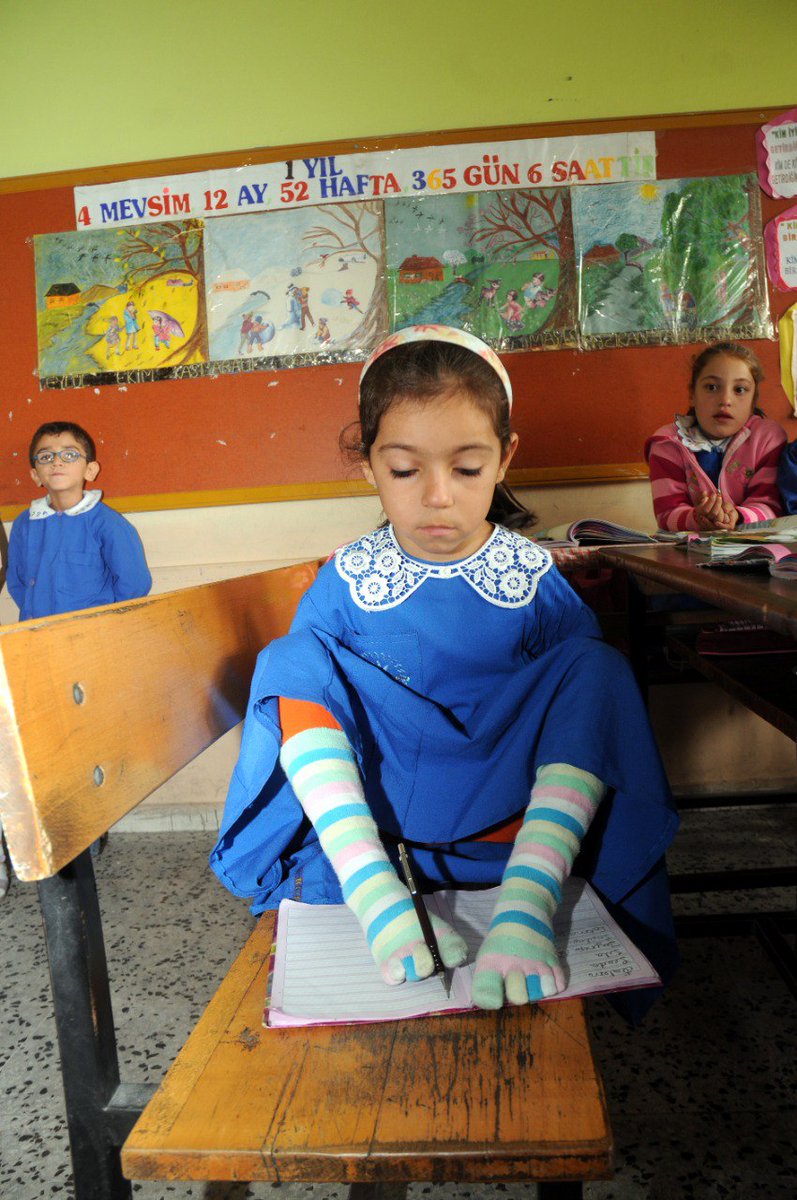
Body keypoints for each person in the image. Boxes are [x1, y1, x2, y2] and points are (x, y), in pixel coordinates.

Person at [211, 325, 678, 1017]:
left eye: (465, 468)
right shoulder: (347, 579)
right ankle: (374, 894)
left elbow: (579, 719)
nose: (436, 496)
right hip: (387, 821)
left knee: (594, 667)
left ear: (504, 458)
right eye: (405, 470)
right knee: (290, 659)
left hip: (511, 821)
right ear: (367, 462)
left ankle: (526, 901)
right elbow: (304, 693)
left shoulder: (528, 576)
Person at [7, 421, 152, 621]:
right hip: (36, 634)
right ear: (35, 475)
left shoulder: (108, 523)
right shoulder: (24, 524)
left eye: (69, 455)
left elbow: (135, 584)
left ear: (90, 470)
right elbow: (17, 581)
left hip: (93, 637)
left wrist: (104, 622)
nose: (57, 462)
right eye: (45, 456)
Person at [645, 342, 785, 532]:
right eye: (711, 387)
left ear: (754, 401)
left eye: (740, 390)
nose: (725, 400)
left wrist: (737, 516)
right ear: (692, 394)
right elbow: (667, 514)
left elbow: (771, 507)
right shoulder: (667, 443)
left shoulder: (768, 439)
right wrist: (698, 518)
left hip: (752, 550)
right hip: (687, 554)